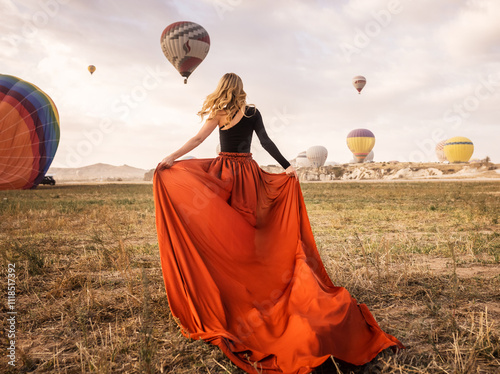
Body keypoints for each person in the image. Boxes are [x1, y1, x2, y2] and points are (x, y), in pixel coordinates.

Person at [154, 73, 404, 374]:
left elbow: (197, 140)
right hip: (248, 174)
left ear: (222, 89)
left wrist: (172, 157)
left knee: (227, 232)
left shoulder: (219, 112)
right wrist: (286, 167)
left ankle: (239, 288)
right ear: (241, 90)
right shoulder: (252, 112)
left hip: (225, 175)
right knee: (253, 231)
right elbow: (265, 142)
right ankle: (258, 282)